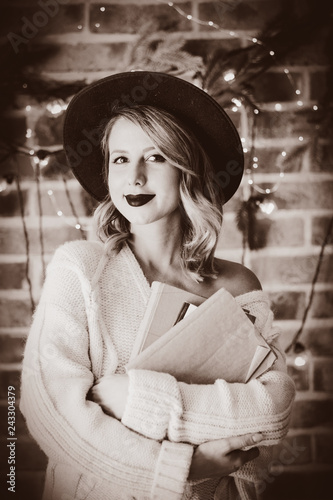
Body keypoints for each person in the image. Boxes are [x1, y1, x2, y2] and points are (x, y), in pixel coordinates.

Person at [20, 71, 295, 500]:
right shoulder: (80, 270)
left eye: (156, 157)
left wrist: (134, 398)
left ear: (187, 168)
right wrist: (183, 464)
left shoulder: (237, 284)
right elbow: (54, 414)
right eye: (121, 159)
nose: (135, 177)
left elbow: (271, 410)